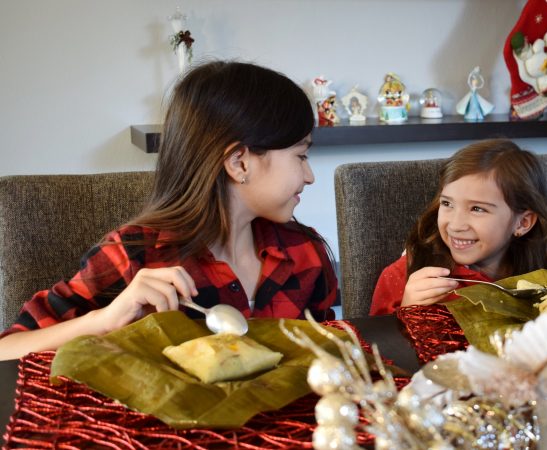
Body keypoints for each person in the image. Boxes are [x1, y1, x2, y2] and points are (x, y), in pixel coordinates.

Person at [0, 61, 338, 360]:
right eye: (301, 156)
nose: (309, 177)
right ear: (239, 162)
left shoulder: (305, 253)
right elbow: (8, 350)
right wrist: (106, 319)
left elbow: (328, 356)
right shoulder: (134, 256)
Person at [370, 139, 547, 315]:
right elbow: (371, 347)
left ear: (522, 223)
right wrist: (408, 310)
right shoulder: (404, 275)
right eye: (447, 204)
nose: (455, 225)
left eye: (477, 209)